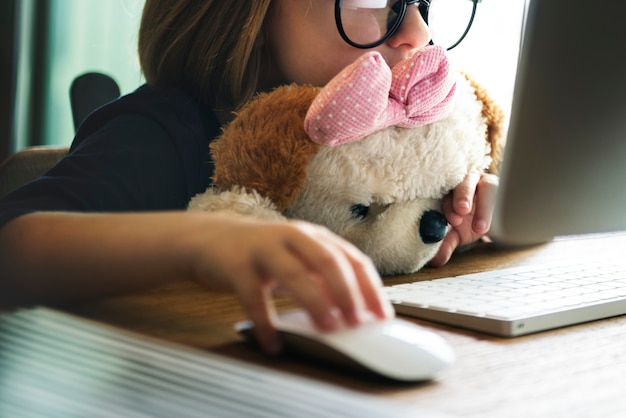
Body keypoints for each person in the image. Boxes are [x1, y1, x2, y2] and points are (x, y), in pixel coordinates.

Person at [0, 0, 497, 354]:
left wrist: (476, 213)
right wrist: (201, 241)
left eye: (423, 3)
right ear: (250, 13)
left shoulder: (402, 142)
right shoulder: (164, 131)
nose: (418, 33)